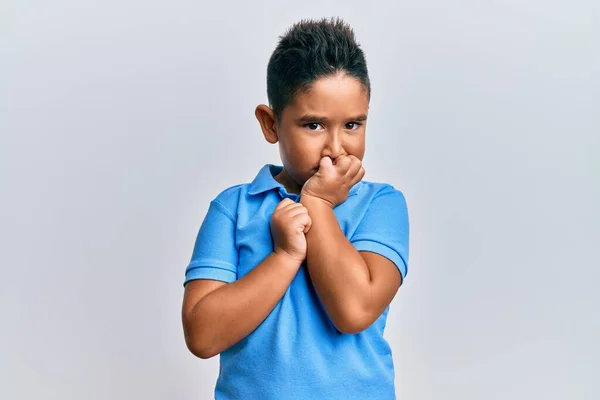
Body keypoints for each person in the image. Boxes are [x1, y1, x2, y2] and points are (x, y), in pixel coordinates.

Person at [181, 16, 410, 400]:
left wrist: (317, 204)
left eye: (353, 124)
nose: (336, 148)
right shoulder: (233, 208)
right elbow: (202, 336)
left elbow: (353, 311)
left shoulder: (382, 205)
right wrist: (285, 256)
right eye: (314, 126)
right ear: (271, 124)